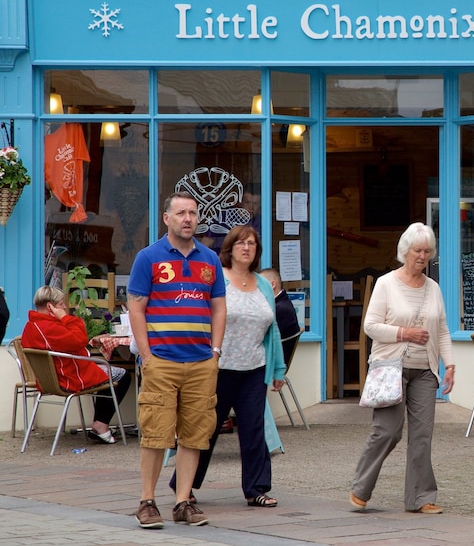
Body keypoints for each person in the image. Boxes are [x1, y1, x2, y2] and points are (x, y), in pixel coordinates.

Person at [127, 191, 226, 529]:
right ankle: (147, 502)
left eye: (193, 213)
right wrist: (147, 355)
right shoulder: (148, 257)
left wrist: (214, 352)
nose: (188, 219)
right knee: (156, 434)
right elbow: (136, 307)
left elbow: (218, 307)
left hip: (201, 362)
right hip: (162, 361)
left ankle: (183, 501)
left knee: (196, 435)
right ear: (166, 218)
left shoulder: (210, 259)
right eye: (181, 213)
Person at [170, 225, 286, 508]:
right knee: (205, 429)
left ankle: (256, 489)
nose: (246, 248)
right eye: (240, 243)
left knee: (253, 430)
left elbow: (274, 331)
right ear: (230, 248)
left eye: (252, 244)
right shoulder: (217, 278)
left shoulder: (262, 285)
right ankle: (184, 485)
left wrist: (278, 369)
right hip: (217, 367)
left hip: (254, 367)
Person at [349, 222, 455, 515]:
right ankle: (361, 487)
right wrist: (405, 333)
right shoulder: (386, 284)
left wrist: (450, 365)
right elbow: (370, 326)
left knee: (422, 435)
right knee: (387, 431)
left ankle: (421, 498)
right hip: (391, 368)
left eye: (427, 251)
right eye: (417, 250)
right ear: (405, 251)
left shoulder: (433, 288)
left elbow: (443, 330)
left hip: (425, 371)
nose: (422, 256)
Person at [20, 285, 131, 444]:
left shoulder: (31, 326)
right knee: (123, 376)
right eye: (61, 304)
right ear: (50, 306)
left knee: (107, 372)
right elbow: (80, 339)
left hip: (53, 378)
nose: (65, 307)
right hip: (70, 377)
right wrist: (65, 318)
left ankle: (100, 424)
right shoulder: (50, 327)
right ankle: (100, 424)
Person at [259, 267, 302, 367]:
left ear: (272, 285)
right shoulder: (281, 303)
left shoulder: (279, 309)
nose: (257, 288)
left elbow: (258, 337)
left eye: (260, 284)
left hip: (272, 363)